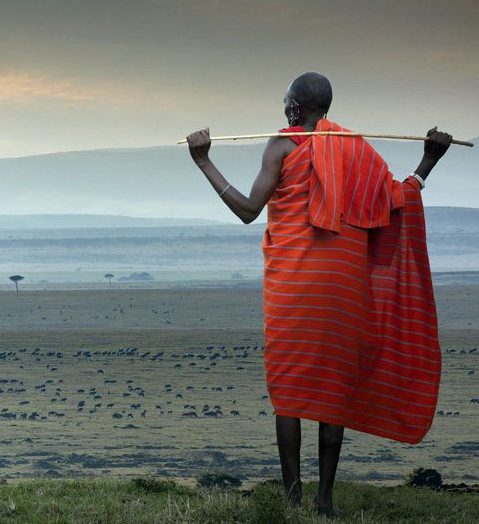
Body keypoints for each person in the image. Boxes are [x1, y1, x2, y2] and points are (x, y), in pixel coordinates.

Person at [185, 72, 452, 517]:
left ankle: (293, 500)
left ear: (293, 107)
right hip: (342, 289)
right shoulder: (354, 148)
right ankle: (324, 501)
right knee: (333, 388)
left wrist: (204, 162)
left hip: (293, 287)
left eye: (285, 100)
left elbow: (249, 211)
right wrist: (428, 161)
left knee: (289, 390)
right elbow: (396, 199)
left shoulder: (280, 146)